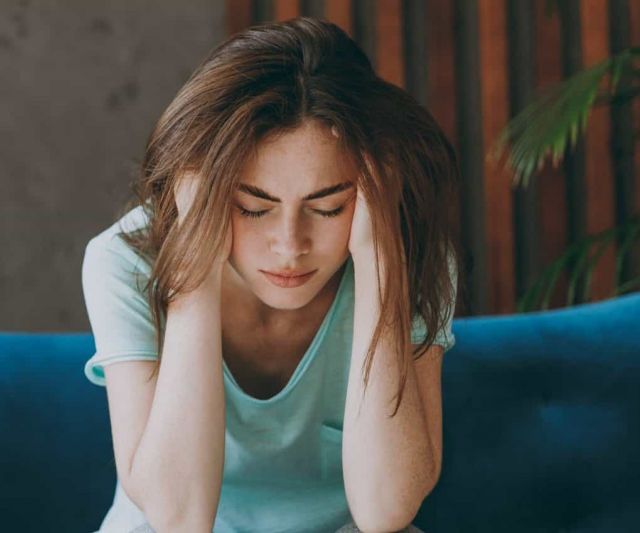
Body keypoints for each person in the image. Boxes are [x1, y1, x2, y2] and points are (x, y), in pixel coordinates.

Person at [80, 16, 462, 533]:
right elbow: (176, 517)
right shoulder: (123, 261)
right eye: (252, 208)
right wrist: (196, 261)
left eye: (328, 208)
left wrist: (380, 260)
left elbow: (385, 510)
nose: (290, 247)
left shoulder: (411, 257)